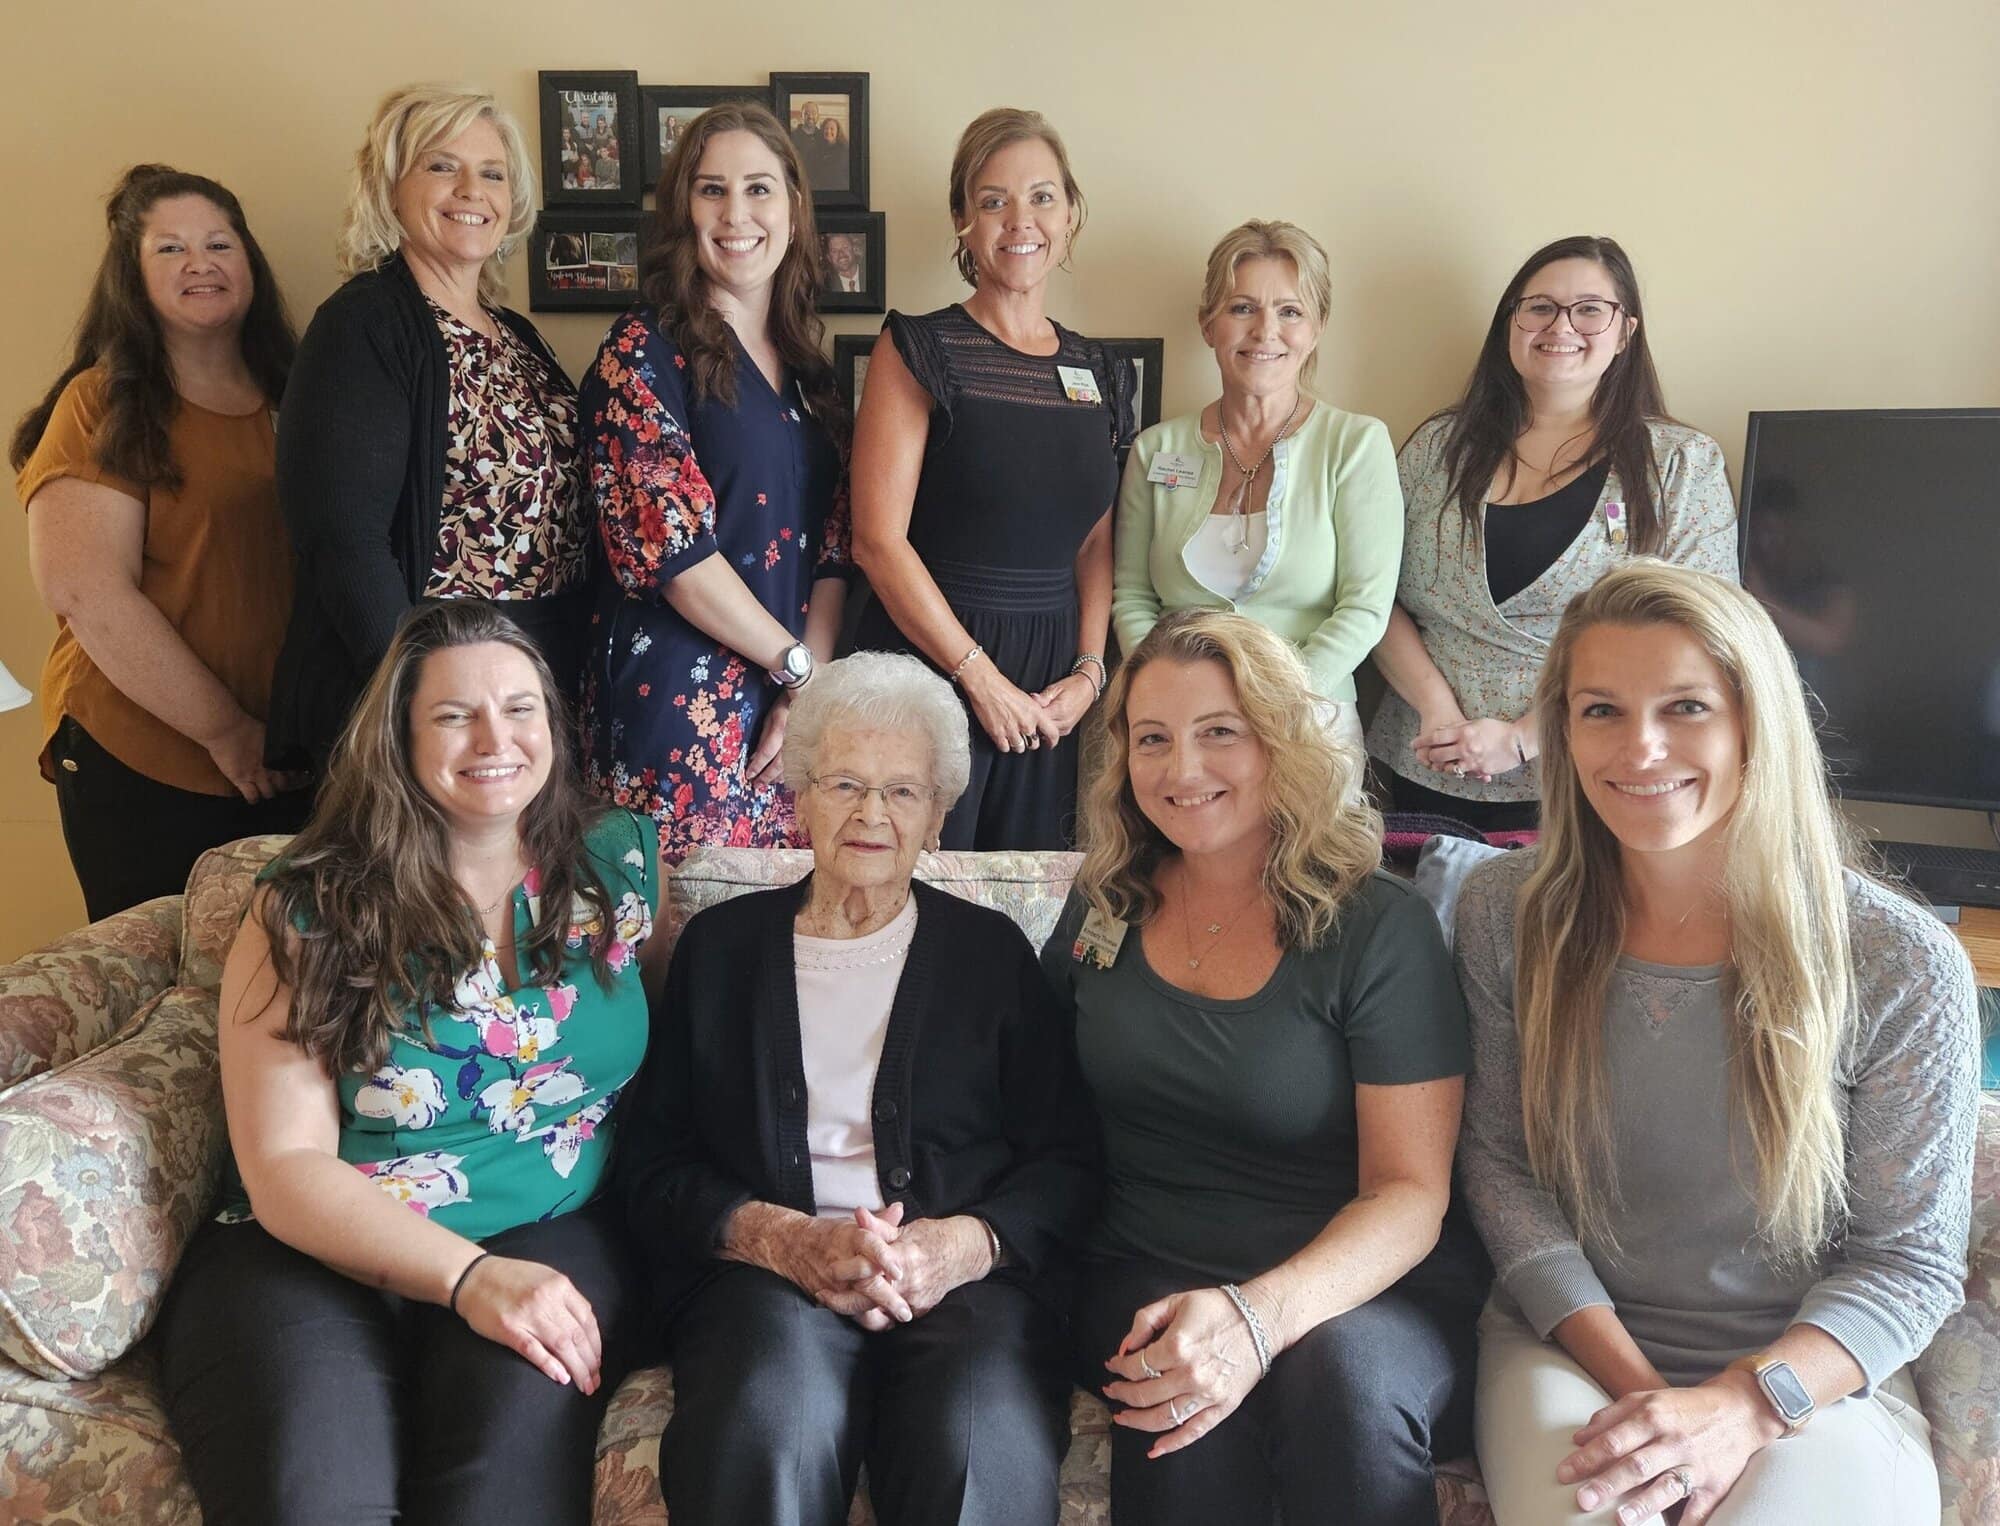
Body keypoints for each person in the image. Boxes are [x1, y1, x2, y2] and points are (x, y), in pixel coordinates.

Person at [1454, 561, 1978, 1525]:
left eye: (1686, 706)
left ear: (1754, 723)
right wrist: (1655, 1402)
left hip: (1809, 1377)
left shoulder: (1902, 961)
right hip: (1569, 1346)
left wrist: (1741, 1405)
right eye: (1600, 710)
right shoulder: (1502, 915)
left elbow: (1910, 1261)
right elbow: (1500, 1166)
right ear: (1562, 732)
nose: (1640, 747)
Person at [155, 600, 668, 1525]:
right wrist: (467, 1278)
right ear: (396, 737)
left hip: (550, 1229)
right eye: (452, 715)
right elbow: (286, 1168)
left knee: (496, 1497)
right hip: (313, 1250)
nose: (494, 738)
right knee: (315, 1500)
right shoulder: (311, 907)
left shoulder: (619, 869)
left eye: (520, 709)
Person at [621, 650, 1099, 1526]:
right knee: (769, 1428)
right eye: (844, 782)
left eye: (903, 791)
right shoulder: (721, 949)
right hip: (770, 1283)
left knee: (977, 1447)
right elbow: (653, 1163)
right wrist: (780, 1235)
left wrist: (962, 1245)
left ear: (938, 816)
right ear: (799, 794)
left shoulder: (990, 955)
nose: (872, 813)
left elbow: (1067, 1160)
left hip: (963, 1289)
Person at [1046, 609, 1488, 1524]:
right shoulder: (1105, 903)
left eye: (1220, 734)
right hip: (1144, 1263)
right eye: (1152, 740)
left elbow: (1409, 1192)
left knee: (1345, 1396)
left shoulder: (1377, 929)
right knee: (1173, 1393)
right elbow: (1028, 1105)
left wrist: (1260, 1318)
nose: (1183, 770)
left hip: (1356, 1286)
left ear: (1282, 743)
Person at [268, 84, 592, 771]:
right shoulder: (364, 326)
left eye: (493, 172)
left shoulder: (516, 335)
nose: (471, 189)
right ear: (389, 187)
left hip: (534, 677)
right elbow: (342, 540)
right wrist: (422, 694)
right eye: (442, 166)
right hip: (428, 690)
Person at [1367, 235, 1738, 832]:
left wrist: (1523, 739)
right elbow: (1371, 594)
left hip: (1593, 771)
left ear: (1625, 331)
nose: (1561, 325)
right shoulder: (1437, 449)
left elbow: (1700, 636)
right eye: (1539, 306)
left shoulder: (1680, 463)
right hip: (1424, 759)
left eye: (1590, 309)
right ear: (1510, 325)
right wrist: (1436, 712)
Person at [14, 164, 307, 920]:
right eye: (170, 250)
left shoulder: (300, 394)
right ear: (131, 278)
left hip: (291, 762)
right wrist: (227, 732)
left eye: (219, 243)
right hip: (145, 757)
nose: (201, 263)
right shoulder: (101, 403)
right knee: (163, 998)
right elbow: (87, 593)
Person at [852, 107, 1130, 850]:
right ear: (962, 220)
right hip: (930, 670)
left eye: (1042, 196)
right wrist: (977, 677)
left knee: (1025, 911)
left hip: (1050, 686)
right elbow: (877, 542)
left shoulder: (1099, 370)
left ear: (1070, 214)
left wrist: (1090, 669)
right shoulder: (918, 347)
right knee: (914, 895)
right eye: (993, 200)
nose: (1021, 220)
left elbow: (1096, 536)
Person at [577, 103, 849, 863]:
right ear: (682, 212)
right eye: (712, 190)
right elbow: (669, 550)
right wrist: (794, 667)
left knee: (772, 939)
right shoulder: (642, 352)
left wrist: (809, 686)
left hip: (795, 706)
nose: (737, 214)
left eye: (760, 189)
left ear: (793, 210)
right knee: (672, 941)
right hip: (678, 704)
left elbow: (836, 543)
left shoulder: (810, 370)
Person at [1113, 220, 1402, 752]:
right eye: (1242, 308)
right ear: (1208, 324)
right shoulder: (1155, 449)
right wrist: (1170, 699)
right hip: (1178, 728)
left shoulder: (1356, 444)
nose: (1265, 331)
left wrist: (1271, 705)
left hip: (1310, 722)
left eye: (1290, 311)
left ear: (1316, 328)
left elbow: (1365, 608)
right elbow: (1132, 597)